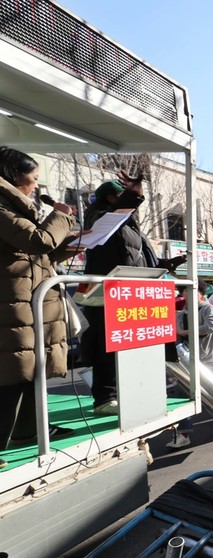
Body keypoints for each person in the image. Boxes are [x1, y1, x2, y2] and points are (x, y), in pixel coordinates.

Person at [0, 147, 80, 468]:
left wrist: (72, 243)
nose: (36, 186)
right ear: (14, 176)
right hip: (11, 299)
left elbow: (40, 254)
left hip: (29, 296)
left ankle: (28, 431)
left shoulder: (18, 206)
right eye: (33, 179)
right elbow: (36, 241)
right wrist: (60, 216)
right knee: (14, 371)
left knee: (34, 369)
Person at [80, 174, 184, 415]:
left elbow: (142, 257)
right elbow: (112, 224)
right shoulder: (99, 217)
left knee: (132, 346)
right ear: (110, 197)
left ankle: (131, 391)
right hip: (109, 293)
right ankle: (105, 398)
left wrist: (167, 263)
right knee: (107, 344)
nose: (133, 203)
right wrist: (134, 195)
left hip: (134, 294)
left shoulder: (131, 225)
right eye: (123, 195)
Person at [166, 278, 213, 448]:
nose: (187, 294)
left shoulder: (207, 308)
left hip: (206, 359)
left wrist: (186, 332)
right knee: (181, 397)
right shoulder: (181, 313)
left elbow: (212, 326)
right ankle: (184, 434)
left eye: (192, 291)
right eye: (185, 291)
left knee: (212, 393)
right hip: (185, 361)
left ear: (201, 294)